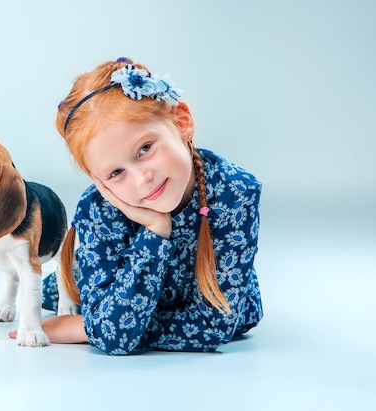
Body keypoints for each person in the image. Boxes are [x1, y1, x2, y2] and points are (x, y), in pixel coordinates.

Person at [13, 57, 263, 355]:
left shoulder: (235, 191)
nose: (143, 180)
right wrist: (156, 230)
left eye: (145, 148)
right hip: (97, 283)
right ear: (99, 180)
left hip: (197, 306)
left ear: (182, 122)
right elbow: (114, 338)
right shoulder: (99, 208)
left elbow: (215, 324)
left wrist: (87, 327)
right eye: (115, 173)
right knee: (58, 290)